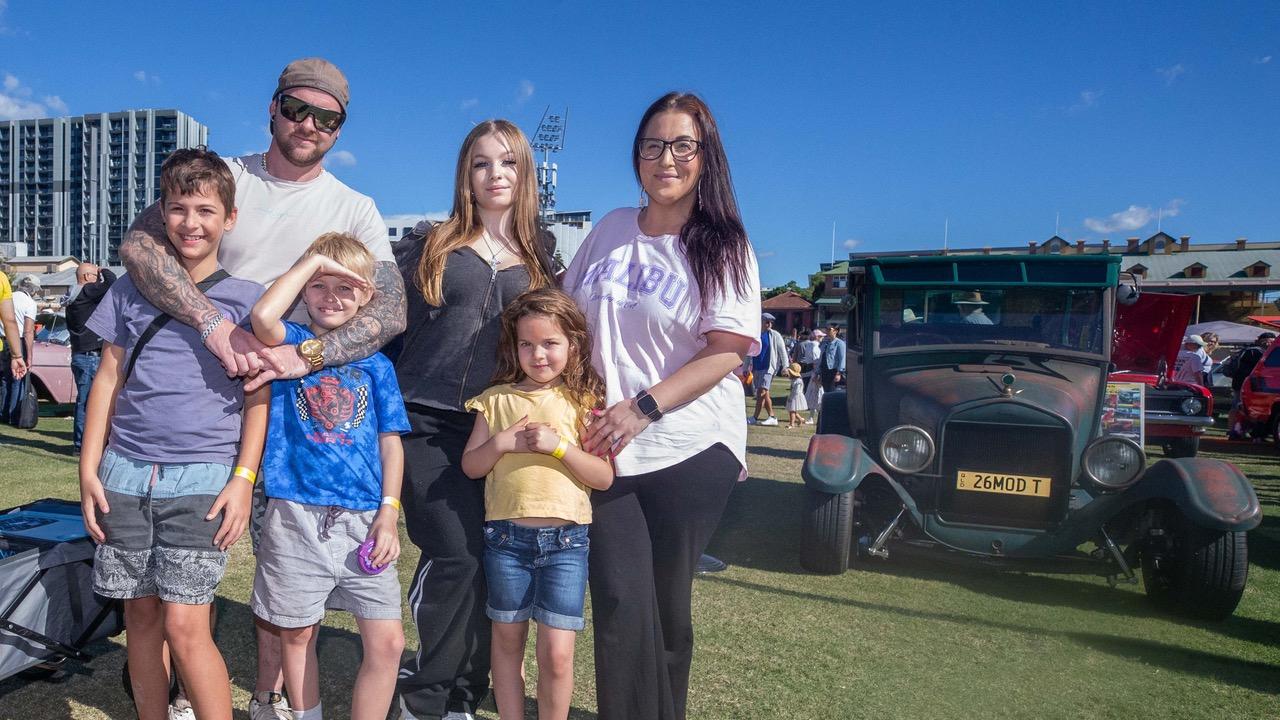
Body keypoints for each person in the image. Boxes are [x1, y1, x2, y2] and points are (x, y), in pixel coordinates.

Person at [118, 57, 406, 720]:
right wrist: (215, 325)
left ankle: (268, 695)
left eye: (325, 117)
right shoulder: (225, 177)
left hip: (287, 404)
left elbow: (390, 311)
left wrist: (306, 355)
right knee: (168, 571)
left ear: (339, 129)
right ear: (271, 109)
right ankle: (175, 695)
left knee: (278, 565)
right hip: (188, 388)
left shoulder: (352, 206)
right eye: (296, 108)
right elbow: (139, 244)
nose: (308, 124)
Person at [562, 91, 760, 720]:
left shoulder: (722, 243)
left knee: (668, 605)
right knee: (620, 599)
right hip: (607, 449)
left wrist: (641, 408)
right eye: (652, 145)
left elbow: (727, 350)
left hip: (689, 445)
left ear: (706, 157)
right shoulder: (611, 228)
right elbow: (565, 318)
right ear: (637, 155)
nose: (665, 158)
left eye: (681, 145)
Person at [78, 148, 267, 720]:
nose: (192, 222)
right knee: (141, 618)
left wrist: (242, 478)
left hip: (204, 477)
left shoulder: (248, 299)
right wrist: (89, 470)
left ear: (229, 219)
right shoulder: (128, 292)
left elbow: (259, 399)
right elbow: (107, 380)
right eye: (179, 208)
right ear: (161, 213)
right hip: (125, 473)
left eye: (206, 210)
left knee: (187, 622)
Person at [395, 119, 556, 720]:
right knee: (456, 554)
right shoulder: (430, 245)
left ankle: (465, 696)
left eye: (509, 162)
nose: (496, 175)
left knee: (493, 564)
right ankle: (425, 697)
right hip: (425, 425)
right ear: (466, 172)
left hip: (499, 430)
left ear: (525, 174)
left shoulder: (542, 260)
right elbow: (386, 328)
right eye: (483, 162)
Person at [248, 233, 408, 720]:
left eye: (346, 287)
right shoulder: (292, 343)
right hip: (294, 515)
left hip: (363, 521)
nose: (332, 298)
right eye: (319, 285)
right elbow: (262, 317)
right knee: (296, 633)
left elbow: (390, 443)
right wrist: (311, 259)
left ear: (368, 297)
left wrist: (389, 512)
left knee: (388, 642)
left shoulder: (378, 366)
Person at [460, 288, 614, 720]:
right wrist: (502, 442)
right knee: (507, 646)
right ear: (514, 346)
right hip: (506, 542)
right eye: (527, 344)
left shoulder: (584, 401)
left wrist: (560, 447)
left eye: (550, 343)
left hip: (567, 545)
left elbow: (603, 476)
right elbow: (472, 466)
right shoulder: (496, 399)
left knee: (558, 654)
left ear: (573, 345)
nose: (538, 354)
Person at [65, 262, 117, 451]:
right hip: (90, 355)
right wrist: (103, 269)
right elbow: (111, 282)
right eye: (95, 276)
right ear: (87, 277)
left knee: (84, 400)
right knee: (89, 401)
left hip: (80, 353)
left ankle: (82, 442)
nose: (98, 280)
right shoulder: (86, 292)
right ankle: (81, 444)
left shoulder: (72, 295)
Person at [3, 275, 38, 425]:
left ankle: (3, 413)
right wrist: (28, 355)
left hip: (1, 340)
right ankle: (13, 414)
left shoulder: (11, 295)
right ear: (34, 290)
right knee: (17, 379)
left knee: (4, 380)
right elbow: (28, 331)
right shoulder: (30, 303)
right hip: (17, 340)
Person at [1227, 331, 1275, 439]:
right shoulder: (1256, 352)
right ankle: (1236, 432)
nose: (1270, 344)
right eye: (1269, 341)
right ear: (1263, 340)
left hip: (1241, 382)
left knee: (1238, 407)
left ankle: (1235, 431)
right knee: (1241, 408)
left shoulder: (1248, 350)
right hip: (1247, 384)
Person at [746, 313, 787, 425]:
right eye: (767, 321)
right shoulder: (755, 335)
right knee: (765, 393)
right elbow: (749, 353)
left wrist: (785, 366)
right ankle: (772, 417)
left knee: (761, 392)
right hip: (757, 367)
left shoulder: (775, 335)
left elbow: (782, 351)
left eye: (771, 322)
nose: (769, 324)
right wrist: (746, 367)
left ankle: (755, 417)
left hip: (768, 368)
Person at [818, 321, 846, 392]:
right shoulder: (825, 343)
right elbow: (821, 357)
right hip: (824, 371)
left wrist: (839, 373)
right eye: (826, 329)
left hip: (833, 371)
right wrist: (818, 372)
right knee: (825, 391)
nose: (827, 331)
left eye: (829, 329)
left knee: (832, 391)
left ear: (835, 331)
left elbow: (842, 359)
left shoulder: (840, 343)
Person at [794, 329, 820, 393]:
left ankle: (800, 393)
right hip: (809, 364)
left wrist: (794, 364)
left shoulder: (799, 344)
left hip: (800, 364)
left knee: (799, 381)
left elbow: (795, 355)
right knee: (808, 381)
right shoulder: (812, 343)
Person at [783, 362, 808, 429]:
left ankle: (792, 424)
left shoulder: (798, 381)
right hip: (793, 395)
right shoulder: (794, 380)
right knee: (792, 410)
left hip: (796, 396)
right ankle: (800, 419)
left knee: (792, 410)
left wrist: (791, 397)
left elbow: (796, 391)